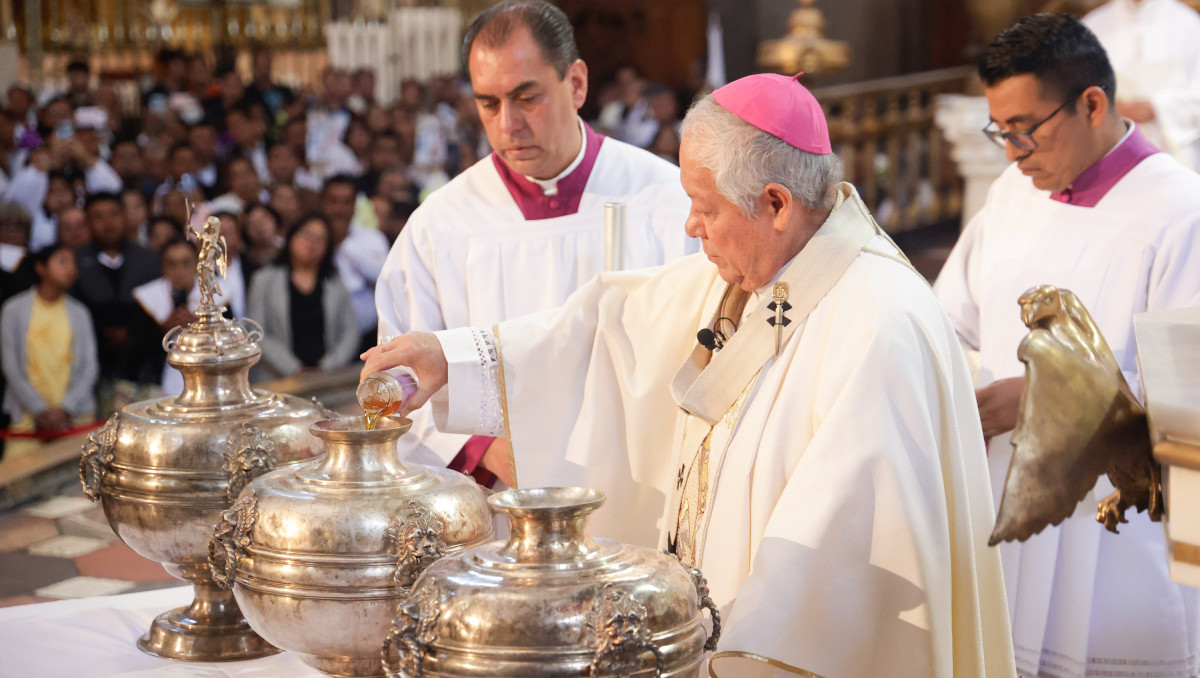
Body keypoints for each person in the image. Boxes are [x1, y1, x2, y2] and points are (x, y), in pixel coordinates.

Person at [363, 72, 1015, 677]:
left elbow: (832, 561)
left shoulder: (879, 325)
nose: (689, 225)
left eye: (704, 207)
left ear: (777, 204)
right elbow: (602, 330)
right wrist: (449, 356)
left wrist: (736, 655)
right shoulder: (756, 273)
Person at [932, 14, 1200, 678]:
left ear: (1092, 104)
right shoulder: (1009, 197)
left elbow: (1190, 395)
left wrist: (1055, 395)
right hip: (1004, 501)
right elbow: (947, 322)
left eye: (1027, 127)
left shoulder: (1178, 214)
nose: (1012, 150)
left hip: (1116, 532)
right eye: (1000, 130)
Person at [376, 0, 696, 471]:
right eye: (488, 103)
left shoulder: (667, 201)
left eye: (527, 98)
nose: (508, 125)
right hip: (500, 506)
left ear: (577, 84)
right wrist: (486, 454)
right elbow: (399, 386)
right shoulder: (439, 228)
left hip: (641, 483)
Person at [1, 241, 98, 458]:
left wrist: (65, 409)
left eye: (73, 263)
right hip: (26, 419)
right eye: (62, 262)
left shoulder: (80, 313)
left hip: (74, 418)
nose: (70, 269)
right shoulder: (14, 310)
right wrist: (39, 410)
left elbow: (89, 367)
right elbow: (11, 367)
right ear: (40, 268)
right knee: (19, 484)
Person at [1084, 0, 1200, 170]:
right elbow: (1077, 88)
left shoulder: (1190, 25)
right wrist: (1106, 106)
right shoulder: (1093, 25)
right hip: (1110, 146)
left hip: (1172, 150)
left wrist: (1157, 107)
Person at [71, 192, 159, 413]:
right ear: (88, 223)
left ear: (125, 216)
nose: (107, 223)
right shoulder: (75, 263)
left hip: (146, 371)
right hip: (93, 373)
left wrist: (133, 334)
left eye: (113, 215)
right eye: (98, 217)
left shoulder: (150, 261)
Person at [246, 214, 358, 381]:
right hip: (277, 379)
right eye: (306, 235)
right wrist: (294, 368)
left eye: (320, 240)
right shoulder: (264, 280)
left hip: (326, 378)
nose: (311, 244)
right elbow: (256, 332)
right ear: (291, 237)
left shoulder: (334, 283)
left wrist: (327, 367)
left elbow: (350, 332)